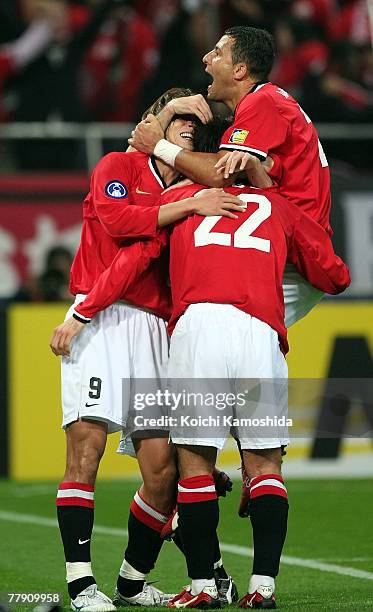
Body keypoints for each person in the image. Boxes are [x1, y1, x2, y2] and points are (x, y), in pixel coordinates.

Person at [50, 90, 244, 610]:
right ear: (154, 120)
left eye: (195, 123)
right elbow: (119, 225)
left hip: (156, 332)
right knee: (84, 455)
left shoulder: (186, 187)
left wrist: (188, 198)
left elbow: (159, 251)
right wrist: (83, 311)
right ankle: (78, 584)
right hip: (102, 322)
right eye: (180, 115)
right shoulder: (118, 164)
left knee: (162, 474)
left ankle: (132, 582)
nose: (189, 125)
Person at [161, 178, 350, 609]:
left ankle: (202, 588)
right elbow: (335, 275)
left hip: (200, 327)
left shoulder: (182, 196)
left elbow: (137, 236)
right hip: (259, 331)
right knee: (265, 464)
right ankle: (263, 588)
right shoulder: (279, 205)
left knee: (194, 464)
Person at [128, 25, 331, 328]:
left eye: (218, 53)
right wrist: (169, 110)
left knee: (216, 329)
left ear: (239, 70)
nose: (206, 59)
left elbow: (217, 174)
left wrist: (158, 146)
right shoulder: (270, 103)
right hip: (287, 246)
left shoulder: (261, 102)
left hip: (293, 255)